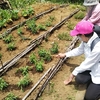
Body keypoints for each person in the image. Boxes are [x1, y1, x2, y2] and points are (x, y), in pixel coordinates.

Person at [56, 20, 100, 100]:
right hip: (92, 67)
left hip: (98, 73)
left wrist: (72, 74)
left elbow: (88, 63)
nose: (77, 37)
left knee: (89, 98)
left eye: (77, 35)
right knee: (80, 79)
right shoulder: (87, 39)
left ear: (83, 35)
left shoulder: (97, 47)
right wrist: (65, 54)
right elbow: (79, 50)